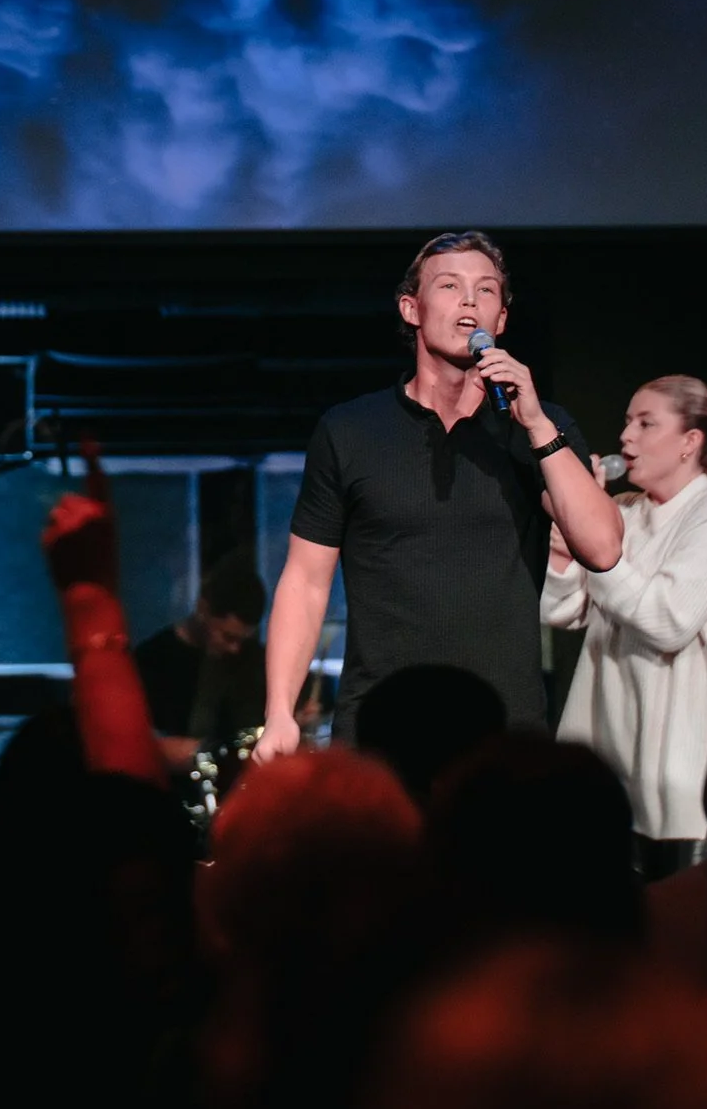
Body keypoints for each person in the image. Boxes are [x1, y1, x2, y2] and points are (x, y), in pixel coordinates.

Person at [254, 231, 623, 760]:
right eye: (450, 286)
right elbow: (307, 580)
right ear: (412, 308)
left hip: (503, 731)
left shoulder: (540, 428)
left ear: (501, 321)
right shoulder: (351, 430)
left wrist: (538, 425)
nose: (470, 300)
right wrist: (279, 712)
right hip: (379, 726)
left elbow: (603, 548)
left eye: (487, 290)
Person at [545, 374, 707, 878]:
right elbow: (561, 611)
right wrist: (565, 541)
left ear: (690, 442)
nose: (626, 437)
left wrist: (599, 551)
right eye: (626, 422)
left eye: (646, 423)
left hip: (683, 780)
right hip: (612, 762)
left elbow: (667, 621)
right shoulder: (623, 513)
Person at [134, 550, 270, 764]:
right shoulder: (151, 660)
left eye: (242, 640)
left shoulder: (254, 659)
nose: (235, 648)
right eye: (228, 637)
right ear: (203, 609)